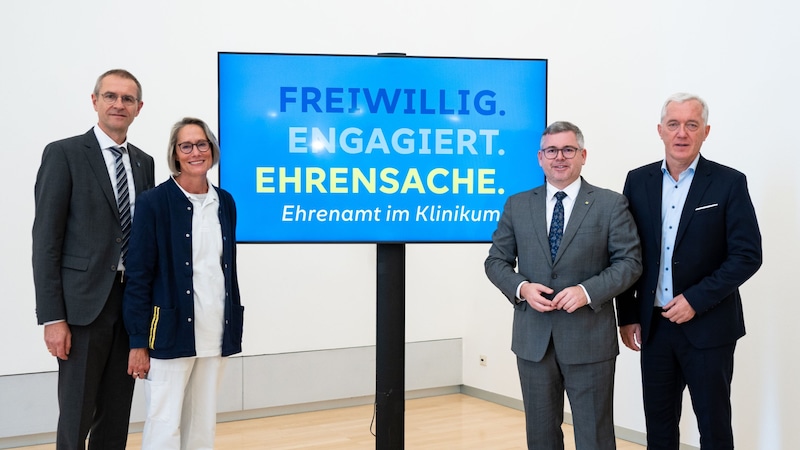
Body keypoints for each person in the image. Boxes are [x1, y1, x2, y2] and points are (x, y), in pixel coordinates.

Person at [617, 93, 762, 450]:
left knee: (713, 427)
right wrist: (628, 314)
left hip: (709, 327)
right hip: (654, 328)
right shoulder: (638, 181)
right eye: (674, 124)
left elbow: (747, 255)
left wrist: (696, 300)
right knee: (660, 428)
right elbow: (624, 252)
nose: (682, 133)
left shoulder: (729, 182)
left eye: (691, 125)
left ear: (705, 132)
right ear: (660, 131)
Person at [485, 121, 642, 450]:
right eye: (551, 150)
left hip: (589, 341)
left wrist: (587, 292)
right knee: (540, 437)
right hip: (533, 342)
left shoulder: (610, 204)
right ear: (540, 158)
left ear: (583, 155)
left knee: (594, 438)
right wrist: (522, 288)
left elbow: (629, 263)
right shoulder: (518, 204)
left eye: (568, 150)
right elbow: (496, 261)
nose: (560, 157)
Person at [32, 69, 155, 449]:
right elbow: (46, 242)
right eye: (111, 96)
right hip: (82, 308)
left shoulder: (144, 162)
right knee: (76, 412)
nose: (119, 104)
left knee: (117, 411)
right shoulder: (64, 154)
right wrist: (53, 317)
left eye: (128, 99)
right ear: (95, 101)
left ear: (138, 108)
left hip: (129, 303)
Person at [123, 117, 244, 450]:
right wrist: (137, 341)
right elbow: (138, 274)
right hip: (168, 332)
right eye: (186, 146)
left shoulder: (226, 203)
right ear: (175, 154)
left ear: (212, 149)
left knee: (202, 422)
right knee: (164, 423)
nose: (195, 152)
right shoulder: (154, 202)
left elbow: (225, 272)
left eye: (202, 144)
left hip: (215, 331)